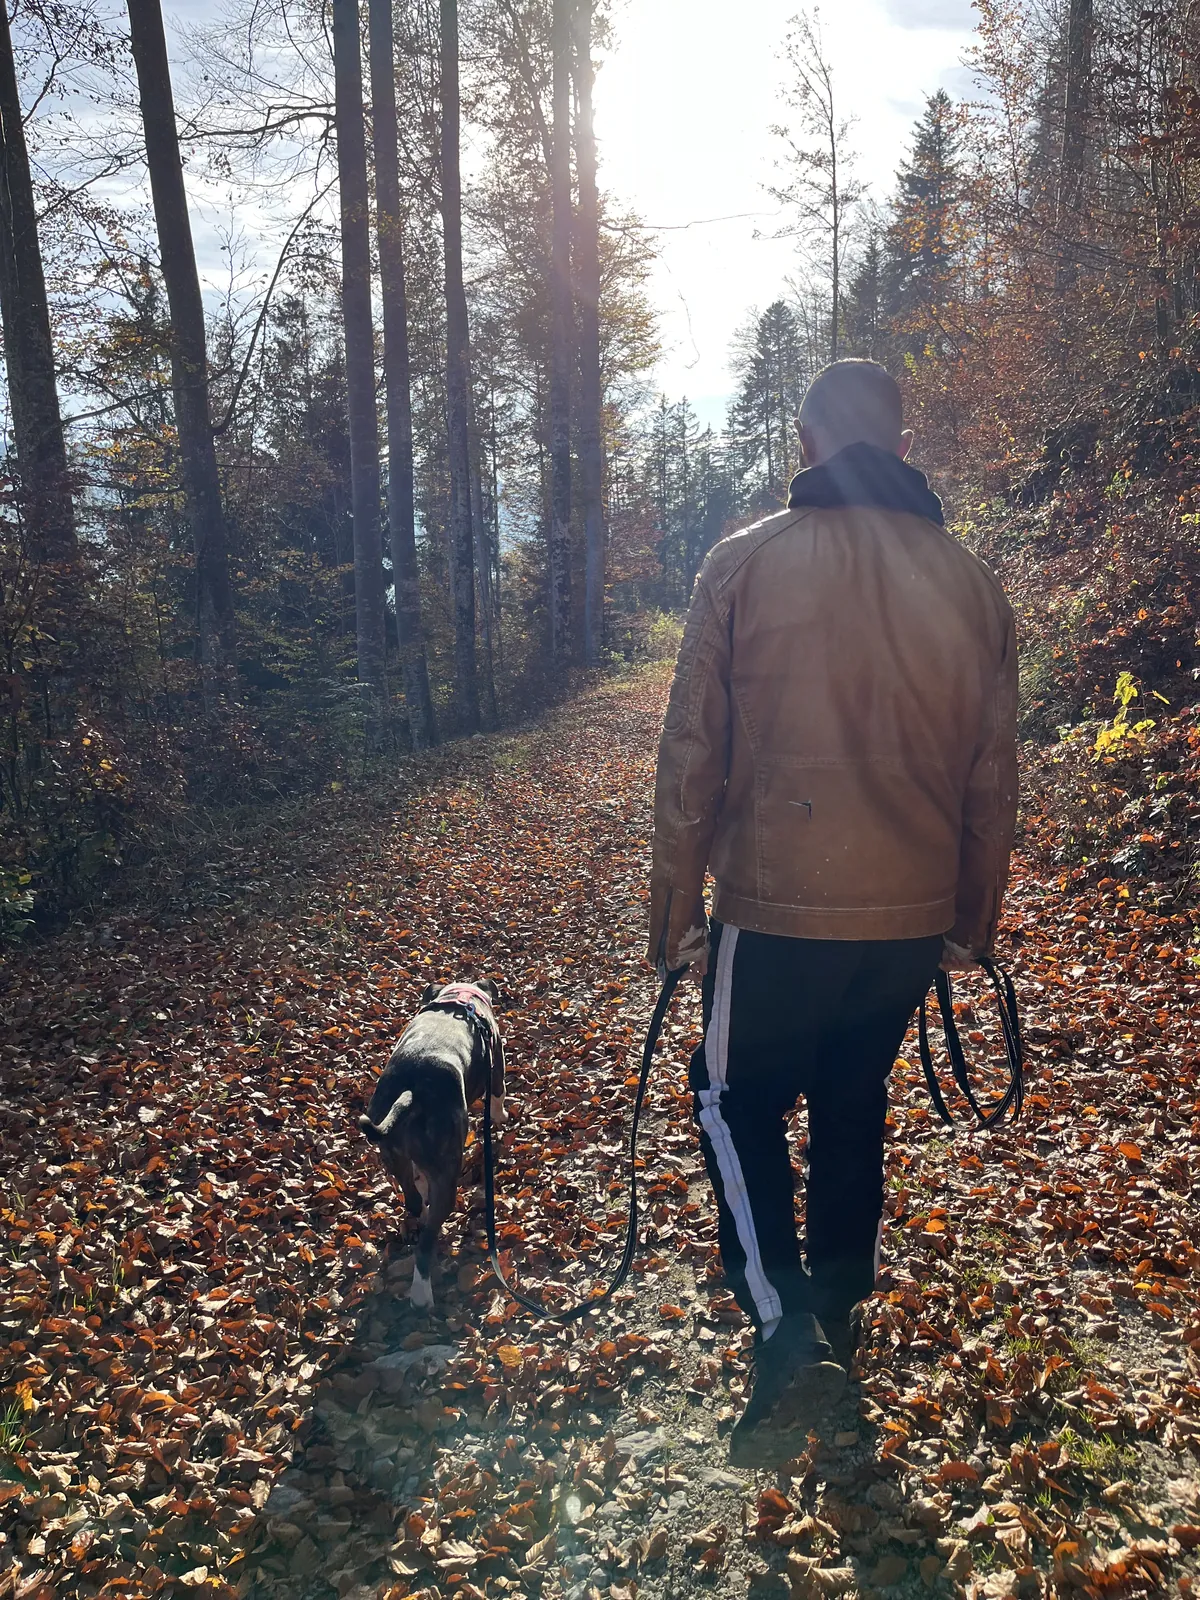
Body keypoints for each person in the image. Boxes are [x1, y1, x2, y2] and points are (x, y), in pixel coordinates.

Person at [647, 359, 1018, 1465]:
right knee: (856, 1101)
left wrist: (676, 913)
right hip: (906, 923)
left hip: (772, 912)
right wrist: (970, 923)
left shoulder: (745, 563)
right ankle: (838, 1319)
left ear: (806, 444)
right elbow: (994, 779)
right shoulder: (973, 583)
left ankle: (782, 1320)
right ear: (902, 449)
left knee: (729, 1096)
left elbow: (689, 758)